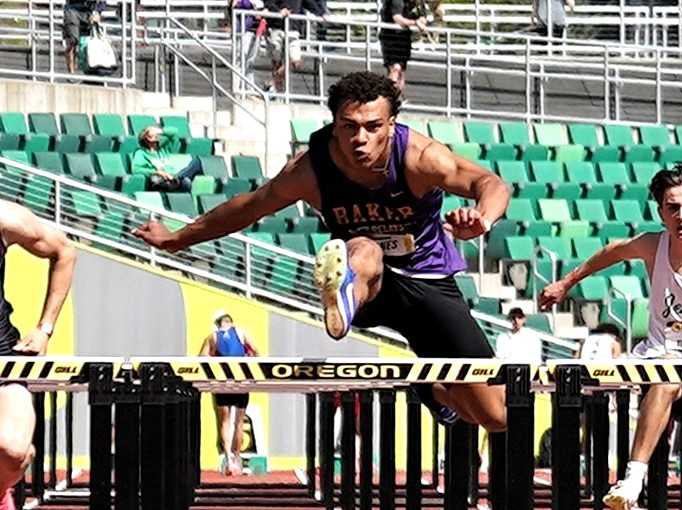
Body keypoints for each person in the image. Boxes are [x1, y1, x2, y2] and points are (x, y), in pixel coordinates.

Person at [133, 71, 511, 431]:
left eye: (373, 127)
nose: (360, 139)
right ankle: (343, 301)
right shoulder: (312, 168)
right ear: (334, 124)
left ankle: (432, 389)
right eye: (349, 127)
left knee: (496, 415)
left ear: (391, 124)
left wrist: (483, 217)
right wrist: (177, 238)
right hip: (370, 284)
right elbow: (250, 207)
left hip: (428, 281)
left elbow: (490, 182)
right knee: (363, 249)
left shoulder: (420, 158)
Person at [539, 164, 682, 510]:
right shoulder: (650, 246)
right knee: (668, 377)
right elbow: (609, 253)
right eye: (673, 207)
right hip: (661, 363)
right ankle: (633, 478)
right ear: (660, 212)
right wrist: (566, 283)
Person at [0, 200, 76, 510]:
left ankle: (0, 491)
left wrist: (45, 329)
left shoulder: (5, 218)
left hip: (2, 359)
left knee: (14, 449)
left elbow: (64, 251)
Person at [198, 310, 258, 476]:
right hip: (240, 380)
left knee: (224, 421)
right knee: (239, 422)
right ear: (231, 322)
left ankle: (228, 458)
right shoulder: (241, 333)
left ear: (218, 324)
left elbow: (202, 358)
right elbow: (256, 352)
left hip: (222, 380)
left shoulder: (213, 337)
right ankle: (237, 458)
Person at [262, 0, 325, 92]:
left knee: (296, 62)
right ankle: (277, 92)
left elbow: (309, 3)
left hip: (293, 29)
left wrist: (321, 13)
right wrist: (278, 11)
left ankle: (273, 82)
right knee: (276, 62)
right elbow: (268, 3)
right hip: (276, 26)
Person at [132, 126, 204, 193]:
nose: (157, 135)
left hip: (173, 177)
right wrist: (157, 172)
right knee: (186, 182)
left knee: (197, 162)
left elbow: (174, 132)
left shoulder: (163, 149)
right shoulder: (141, 153)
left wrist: (160, 131)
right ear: (147, 138)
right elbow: (136, 169)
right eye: (153, 134)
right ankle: (178, 180)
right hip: (160, 181)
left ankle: (178, 179)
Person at [379, 0, 427, 92]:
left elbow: (422, 16)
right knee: (395, 69)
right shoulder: (397, 1)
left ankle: (397, 97)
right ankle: (390, 97)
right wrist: (415, 22)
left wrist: (421, 20)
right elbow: (397, 18)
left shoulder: (419, 2)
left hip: (404, 37)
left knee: (401, 71)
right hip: (391, 37)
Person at [63, 0, 106, 74]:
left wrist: (98, 11)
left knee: (88, 43)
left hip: (89, 10)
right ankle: (71, 74)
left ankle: (88, 73)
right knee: (72, 41)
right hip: (72, 9)